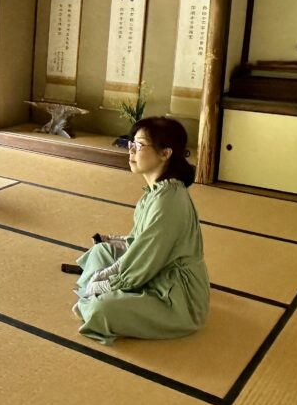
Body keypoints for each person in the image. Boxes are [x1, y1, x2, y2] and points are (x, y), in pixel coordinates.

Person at [69, 116, 210, 345]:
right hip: (152, 270)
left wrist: (108, 282)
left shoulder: (168, 202)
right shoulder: (157, 191)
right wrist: (108, 270)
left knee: (101, 310)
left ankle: (96, 297)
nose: (131, 151)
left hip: (176, 298)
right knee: (100, 252)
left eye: (140, 145)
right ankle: (98, 293)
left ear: (165, 153)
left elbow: (144, 258)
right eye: (131, 143)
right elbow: (138, 244)